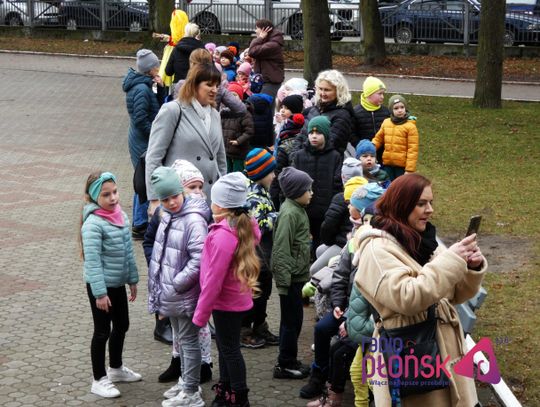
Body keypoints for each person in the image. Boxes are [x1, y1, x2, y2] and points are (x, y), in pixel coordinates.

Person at [354, 173, 487, 406]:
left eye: (431, 203)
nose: (429, 210)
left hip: (444, 351)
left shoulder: (421, 241)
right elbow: (408, 297)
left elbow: (455, 293)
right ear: (401, 204)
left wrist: (469, 267)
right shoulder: (377, 249)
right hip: (411, 355)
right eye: (421, 203)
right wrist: (450, 262)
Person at [300, 183, 384, 403]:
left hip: (364, 315)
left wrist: (350, 319)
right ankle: (318, 377)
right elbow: (341, 274)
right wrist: (338, 303)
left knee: (340, 350)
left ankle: (334, 393)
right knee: (321, 329)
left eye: (354, 206)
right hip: (347, 306)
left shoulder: (376, 241)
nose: (349, 209)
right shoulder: (353, 238)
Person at [193, 172, 261, 407]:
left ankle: (239, 397)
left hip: (226, 304)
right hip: (236, 301)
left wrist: (200, 315)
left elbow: (213, 280)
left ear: (221, 205)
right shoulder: (241, 227)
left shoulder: (223, 237)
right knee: (225, 346)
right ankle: (226, 390)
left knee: (230, 349)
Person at [143, 160, 213, 386]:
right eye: (165, 199)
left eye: (174, 196)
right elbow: (157, 249)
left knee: (189, 340)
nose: (171, 202)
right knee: (182, 339)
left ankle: (191, 388)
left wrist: (176, 283)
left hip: (183, 291)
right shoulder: (166, 216)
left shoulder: (193, 219)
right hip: (173, 291)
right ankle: (185, 382)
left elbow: (199, 258)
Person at [80, 171, 140, 398]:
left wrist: (132, 280)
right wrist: (100, 293)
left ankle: (115, 369)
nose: (113, 198)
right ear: (96, 197)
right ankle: (98, 378)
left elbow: (128, 253)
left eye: (114, 192)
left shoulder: (121, 216)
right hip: (101, 287)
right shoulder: (93, 224)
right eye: (106, 195)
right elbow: (92, 263)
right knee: (102, 331)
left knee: (122, 325)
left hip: (117, 284)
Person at [145, 63, 227, 213]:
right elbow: (154, 157)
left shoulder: (215, 114)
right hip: (178, 201)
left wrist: (222, 197)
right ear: (194, 85)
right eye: (209, 85)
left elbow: (220, 160)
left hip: (209, 201)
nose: (214, 90)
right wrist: (156, 198)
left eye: (217, 85)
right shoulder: (173, 110)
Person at [271, 167, 313, 380]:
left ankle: (291, 359)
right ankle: (284, 364)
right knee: (290, 322)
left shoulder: (297, 209)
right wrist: (284, 282)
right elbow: (281, 249)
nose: (311, 193)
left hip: (297, 276)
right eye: (308, 190)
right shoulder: (289, 213)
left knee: (295, 321)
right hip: (290, 280)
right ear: (297, 192)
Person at [242, 148, 280, 349]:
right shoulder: (253, 198)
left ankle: (260, 325)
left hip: (263, 254)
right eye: (271, 172)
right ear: (260, 174)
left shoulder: (261, 191)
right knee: (254, 290)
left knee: (263, 289)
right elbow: (258, 226)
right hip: (255, 253)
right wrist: (277, 217)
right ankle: (245, 329)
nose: (274, 176)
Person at [122, 49, 162, 239]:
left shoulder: (145, 85)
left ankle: (141, 221)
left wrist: (160, 88)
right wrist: (155, 134)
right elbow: (140, 119)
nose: (160, 67)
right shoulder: (141, 90)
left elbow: (157, 109)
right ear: (150, 69)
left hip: (142, 138)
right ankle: (139, 223)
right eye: (157, 65)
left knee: (143, 179)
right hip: (142, 140)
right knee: (143, 181)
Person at [293, 116, 343, 256]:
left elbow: (337, 184)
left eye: (318, 133)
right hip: (305, 208)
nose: (314, 136)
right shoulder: (299, 156)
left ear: (326, 135)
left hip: (324, 209)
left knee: (321, 242)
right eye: (311, 133)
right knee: (302, 241)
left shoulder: (335, 156)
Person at [312, 158, 363, 275]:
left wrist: (331, 241)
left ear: (343, 177)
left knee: (314, 270)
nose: (349, 206)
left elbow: (328, 226)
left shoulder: (342, 198)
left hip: (345, 243)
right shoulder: (366, 193)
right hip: (344, 240)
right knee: (320, 250)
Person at [298, 70, 355, 155]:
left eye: (327, 90)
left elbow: (330, 144)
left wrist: (303, 155)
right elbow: (301, 136)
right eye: (320, 89)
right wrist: (295, 155)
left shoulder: (342, 115)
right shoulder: (315, 109)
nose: (322, 93)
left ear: (338, 91)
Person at [269, 95, 306, 209]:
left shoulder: (294, 128)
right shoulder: (286, 125)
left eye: (287, 108)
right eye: (282, 107)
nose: (282, 110)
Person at [372, 95, 419, 181]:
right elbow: (378, 139)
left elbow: (413, 150)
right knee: (388, 187)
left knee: (400, 189)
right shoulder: (386, 123)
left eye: (402, 107)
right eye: (396, 108)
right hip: (387, 164)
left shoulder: (410, 127)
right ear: (391, 110)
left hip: (402, 167)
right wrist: (370, 149)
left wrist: (409, 169)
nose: (400, 110)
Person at [248, 19, 285, 100]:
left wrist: (260, 38)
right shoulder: (268, 41)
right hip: (264, 81)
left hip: (270, 82)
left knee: (265, 106)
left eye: (257, 28)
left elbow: (252, 51)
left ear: (264, 30)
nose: (255, 31)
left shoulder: (273, 45)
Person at [221, 82, 254, 173]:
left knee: (237, 173)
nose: (232, 98)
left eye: (234, 95)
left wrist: (238, 141)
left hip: (239, 150)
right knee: (226, 172)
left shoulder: (244, 113)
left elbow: (249, 131)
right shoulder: (224, 112)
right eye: (229, 95)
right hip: (226, 150)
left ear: (240, 97)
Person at [352, 76, 390, 147]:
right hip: (364, 153)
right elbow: (352, 134)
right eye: (379, 93)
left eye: (383, 94)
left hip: (383, 152)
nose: (382, 97)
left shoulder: (386, 112)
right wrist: (360, 146)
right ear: (369, 94)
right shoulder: (356, 113)